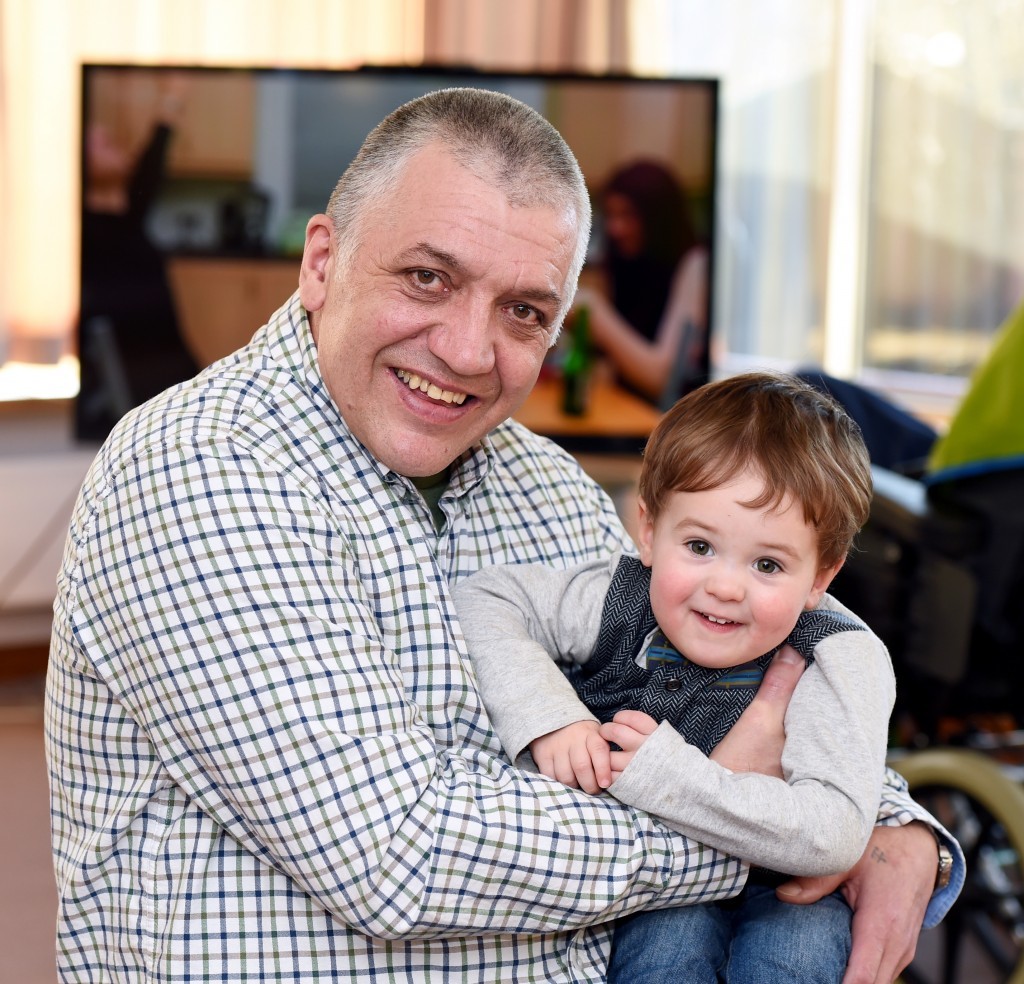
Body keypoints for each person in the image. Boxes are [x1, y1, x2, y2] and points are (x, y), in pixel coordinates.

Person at [45, 87, 961, 983]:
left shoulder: (547, 484)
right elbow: (394, 859)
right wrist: (770, 839)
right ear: (322, 260)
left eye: (524, 310)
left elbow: (736, 650)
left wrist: (894, 826)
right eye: (427, 278)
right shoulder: (201, 469)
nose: (469, 351)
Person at [454, 371, 894, 983]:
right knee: (665, 953)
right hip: (659, 880)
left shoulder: (841, 656)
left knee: (794, 956)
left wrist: (671, 778)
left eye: (768, 564)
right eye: (700, 547)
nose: (725, 586)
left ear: (821, 576)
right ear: (650, 531)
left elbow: (834, 832)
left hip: (783, 885)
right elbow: (485, 599)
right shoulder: (620, 596)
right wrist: (552, 717)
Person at [77, 74, 200, 441]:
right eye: (99, 144)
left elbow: (153, 158)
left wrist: (173, 99)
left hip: (172, 371)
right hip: (136, 390)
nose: (113, 143)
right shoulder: (86, 231)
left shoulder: (125, 216)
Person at [573, 159, 710, 406]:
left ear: (659, 218)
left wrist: (595, 314)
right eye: (611, 215)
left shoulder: (695, 264)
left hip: (674, 422)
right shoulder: (623, 262)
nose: (616, 228)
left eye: (628, 215)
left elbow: (663, 379)